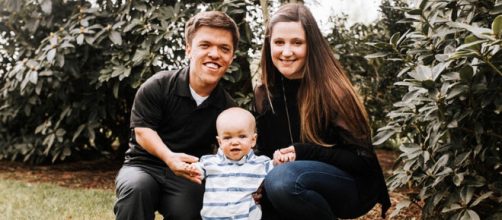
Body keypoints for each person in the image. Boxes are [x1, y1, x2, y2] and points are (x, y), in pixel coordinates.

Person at [254, 3, 391, 219]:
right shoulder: (264, 93)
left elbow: (362, 163)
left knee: (281, 181)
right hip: (289, 186)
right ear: (268, 44)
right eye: (279, 42)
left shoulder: (334, 92)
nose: (286, 52)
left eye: (297, 42)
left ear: (311, 45)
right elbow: (262, 150)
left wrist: (304, 151)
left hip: (349, 187)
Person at [114, 11, 239, 220]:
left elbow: (233, 150)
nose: (215, 54)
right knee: (136, 189)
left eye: (224, 48)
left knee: (192, 209)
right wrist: (169, 158)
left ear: (232, 57)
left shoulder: (228, 109)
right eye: (205, 45)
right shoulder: (159, 85)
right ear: (188, 49)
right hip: (144, 166)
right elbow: (142, 132)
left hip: (189, 175)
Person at [188, 107, 274, 220]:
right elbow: (196, 169)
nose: (234, 142)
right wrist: (191, 168)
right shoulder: (209, 162)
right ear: (220, 142)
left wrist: (284, 158)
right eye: (227, 138)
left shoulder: (262, 163)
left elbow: (278, 169)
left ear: (253, 140)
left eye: (242, 136)